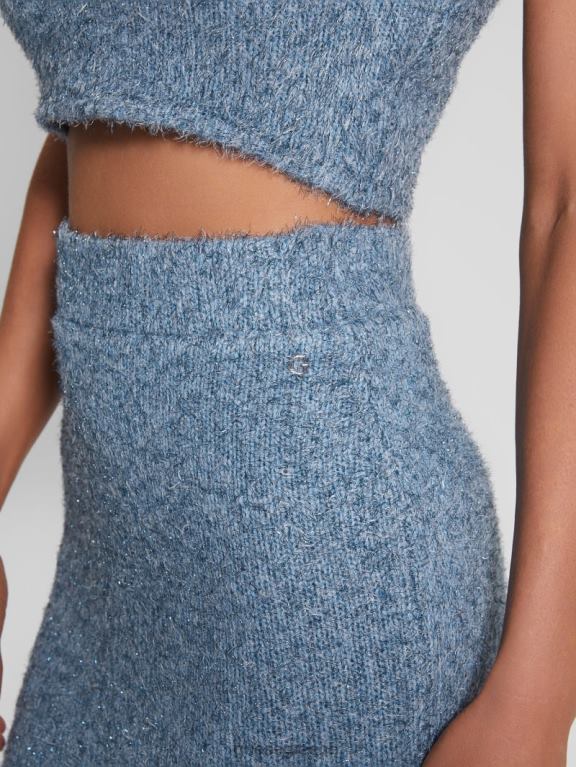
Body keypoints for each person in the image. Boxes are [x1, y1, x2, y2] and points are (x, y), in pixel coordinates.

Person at [0, 1, 574, 765]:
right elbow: (107, 102)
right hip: (101, 594)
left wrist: (538, 699)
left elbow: (567, 203)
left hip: (332, 593)